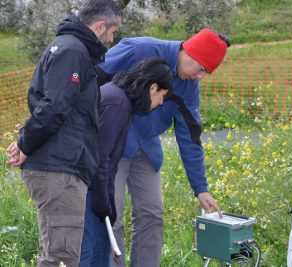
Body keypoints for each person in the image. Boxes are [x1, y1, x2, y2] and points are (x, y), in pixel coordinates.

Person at [96, 28, 230, 267]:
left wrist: (201, 188)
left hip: (146, 150)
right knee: (110, 217)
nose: (199, 77)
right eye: (201, 70)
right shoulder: (138, 50)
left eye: (206, 73)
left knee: (152, 215)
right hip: (110, 148)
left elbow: (190, 136)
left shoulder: (188, 87)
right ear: (190, 53)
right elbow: (91, 78)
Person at [6, 1, 122, 266]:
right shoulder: (73, 51)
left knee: (59, 254)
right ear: (100, 26)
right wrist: (25, 142)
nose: (112, 39)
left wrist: (26, 141)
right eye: (112, 32)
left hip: (62, 163)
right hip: (60, 167)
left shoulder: (71, 49)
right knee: (60, 258)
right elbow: (55, 106)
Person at [79, 58, 173, 267]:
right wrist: (105, 203)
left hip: (86, 179)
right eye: (162, 96)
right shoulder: (117, 103)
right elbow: (101, 157)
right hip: (77, 177)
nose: (161, 102)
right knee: (91, 250)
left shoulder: (120, 100)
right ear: (153, 87)